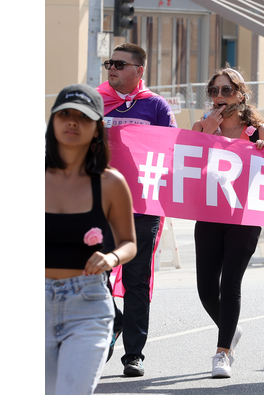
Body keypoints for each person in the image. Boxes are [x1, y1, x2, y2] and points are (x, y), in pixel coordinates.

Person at [45, 84, 137, 395]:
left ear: (97, 128)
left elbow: (128, 243)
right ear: (53, 121)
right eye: (65, 114)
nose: (73, 122)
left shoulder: (110, 183)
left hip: (88, 307)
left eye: (83, 117)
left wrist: (111, 258)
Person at [97, 43, 178, 377]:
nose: (112, 69)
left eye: (120, 64)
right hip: (98, 205)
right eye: (109, 63)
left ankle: (133, 354)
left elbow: (173, 150)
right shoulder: (96, 101)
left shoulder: (156, 106)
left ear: (139, 70)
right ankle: (114, 319)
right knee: (92, 272)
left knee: (136, 280)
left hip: (143, 207)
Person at [192, 67, 264, 378]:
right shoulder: (201, 126)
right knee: (205, 288)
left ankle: (222, 352)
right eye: (214, 91)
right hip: (210, 213)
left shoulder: (257, 130)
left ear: (240, 94)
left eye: (226, 90)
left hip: (244, 215)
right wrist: (207, 133)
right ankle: (231, 328)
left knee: (230, 283)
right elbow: (188, 166)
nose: (219, 96)